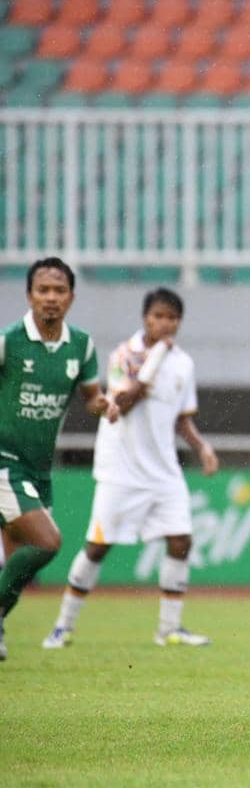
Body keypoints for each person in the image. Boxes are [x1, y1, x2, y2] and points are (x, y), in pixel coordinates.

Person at [42, 288, 219, 651]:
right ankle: (62, 626)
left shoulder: (183, 362)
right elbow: (119, 405)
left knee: (181, 541)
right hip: (121, 468)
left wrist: (202, 448)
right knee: (98, 546)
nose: (165, 323)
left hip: (163, 470)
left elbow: (181, 420)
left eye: (171, 318)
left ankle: (169, 629)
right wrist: (148, 370)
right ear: (145, 318)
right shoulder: (125, 355)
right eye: (158, 316)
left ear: (179, 322)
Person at [0, 258, 108, 661]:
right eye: (43, 290)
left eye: (58, 290)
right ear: (29, 295)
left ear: (71, 297)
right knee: (48, 542)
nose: (51, 297)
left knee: (17, 567)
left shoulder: (81, 345)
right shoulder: (9, 341)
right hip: (4, 461)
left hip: (39, 468)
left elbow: (91, 396)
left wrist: (104, 406)